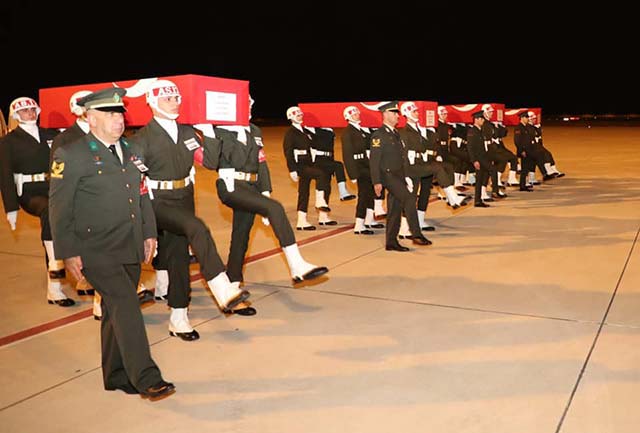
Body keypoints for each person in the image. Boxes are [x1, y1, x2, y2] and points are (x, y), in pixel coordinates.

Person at [49, 87, 174, 400]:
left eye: (120, 113)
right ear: (91, 118)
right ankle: (146, 377)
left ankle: (116, 375)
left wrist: (148, 233)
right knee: (126, 304)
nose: (118, 120)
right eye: (109, 114)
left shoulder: (131, 150)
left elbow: (142, 194)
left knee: (113, 310)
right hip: (95, 249)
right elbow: (59, 208)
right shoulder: (71, 154)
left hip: (129, 243)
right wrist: (68, 253)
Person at [129, 79, 252, 339]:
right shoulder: (141, 139)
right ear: (152, 103)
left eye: (177, 98)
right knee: (197, 227)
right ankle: (222, 287)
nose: (175, 103)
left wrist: (208, 133)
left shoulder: (187, 133)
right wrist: (143, 222)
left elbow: (209, 162)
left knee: (178, 259)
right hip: (157, 201)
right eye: (168, 99)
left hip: (184, 197)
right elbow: (134, 183)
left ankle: (179, 317)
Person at [214, 96, 328, 300]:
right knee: (275, 208)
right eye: (245, 104)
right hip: (231, 186)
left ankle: (232, 285)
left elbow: (261, 162)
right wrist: (233, 131)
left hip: (252, 186)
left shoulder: (255, 130)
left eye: (251, 104)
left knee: (241, 234)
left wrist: (265, 191)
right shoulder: (221, 131)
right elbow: (227, 159)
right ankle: (296, 265)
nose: (250, 107)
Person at [0, 96, 75, 307]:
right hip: (29, 192)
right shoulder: (8, 142)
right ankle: (55, 268)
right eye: (25, 111)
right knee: (50, 211)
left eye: (33, 109)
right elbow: (4, 175)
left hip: (55, 187)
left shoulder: (51, 135)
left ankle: (72, 280)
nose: (30, 113)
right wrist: (11, 208)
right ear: (16, 115)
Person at [369, 101, 431, 251]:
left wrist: (406, 176)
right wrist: (376, 181)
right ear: (385, 114)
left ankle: (391, 242)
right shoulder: (379, 135)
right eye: (394, 113)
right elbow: (374, 160)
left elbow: (402, 158)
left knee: (395, 209)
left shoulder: (396, 133)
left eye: (397, 113)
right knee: (409, 198)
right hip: (388, 175)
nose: (398, 116)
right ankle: (416, 234)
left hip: (399, 175)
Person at [398, 101, 466, 236]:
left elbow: (430, 147)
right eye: (414, 111)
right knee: (411, 198)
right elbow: (403, 155)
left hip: (423, 164)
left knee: (425, 193)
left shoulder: (421, 130)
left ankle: (420, 221)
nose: (417, 113)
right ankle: (404, 229)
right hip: (412, 168)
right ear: (406, 113)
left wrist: (429, 133)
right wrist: (405, 175)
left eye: (417, 111)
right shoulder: (404, 132)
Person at [282, 106, 332, 229]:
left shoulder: (305, 131)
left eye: (300, 114)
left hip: (309, 163)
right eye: (296, 114)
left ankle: (302, 220)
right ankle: (320, 201)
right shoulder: (290, 133)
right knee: (320, 174)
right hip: (300, 165)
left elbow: (316, 141)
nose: (299, 116)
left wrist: (327, 131)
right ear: (290, 117)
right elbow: (288, 152)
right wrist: (292, 169)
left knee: (303, 192)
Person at [341, 105, 384, 235]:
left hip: (367, 166)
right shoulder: (348, 132)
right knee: (364, 195)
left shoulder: (362, 130)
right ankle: (359, 225)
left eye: (357, 113)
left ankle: (369, 220)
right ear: (348, 117)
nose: (357, 115)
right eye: (354, 114)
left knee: (371, 192)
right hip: (359, 168)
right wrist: (352, 174)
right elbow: (347, 155)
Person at [467, 110, 494, 207]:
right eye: (481, 119)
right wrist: (474, 160)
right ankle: (494, 191)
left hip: (483, 157)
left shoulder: (480, 130)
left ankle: (478, 200)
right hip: (479, 159)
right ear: (476, 119)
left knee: (480, 179)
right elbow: (470, 147)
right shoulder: (472, 131)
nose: (483, 121)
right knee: (491, 171)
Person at [513, 111, 536, 191]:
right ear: (522, 118)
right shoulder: (518, 128)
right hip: (524, 151)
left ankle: (524, 184)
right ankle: (522, 186)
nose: (528, 119)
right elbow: (517, 141)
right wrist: (521, 150)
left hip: (529, 150)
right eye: (526, 117)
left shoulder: (526, 127)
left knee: (527, 168)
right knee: (524, 168)